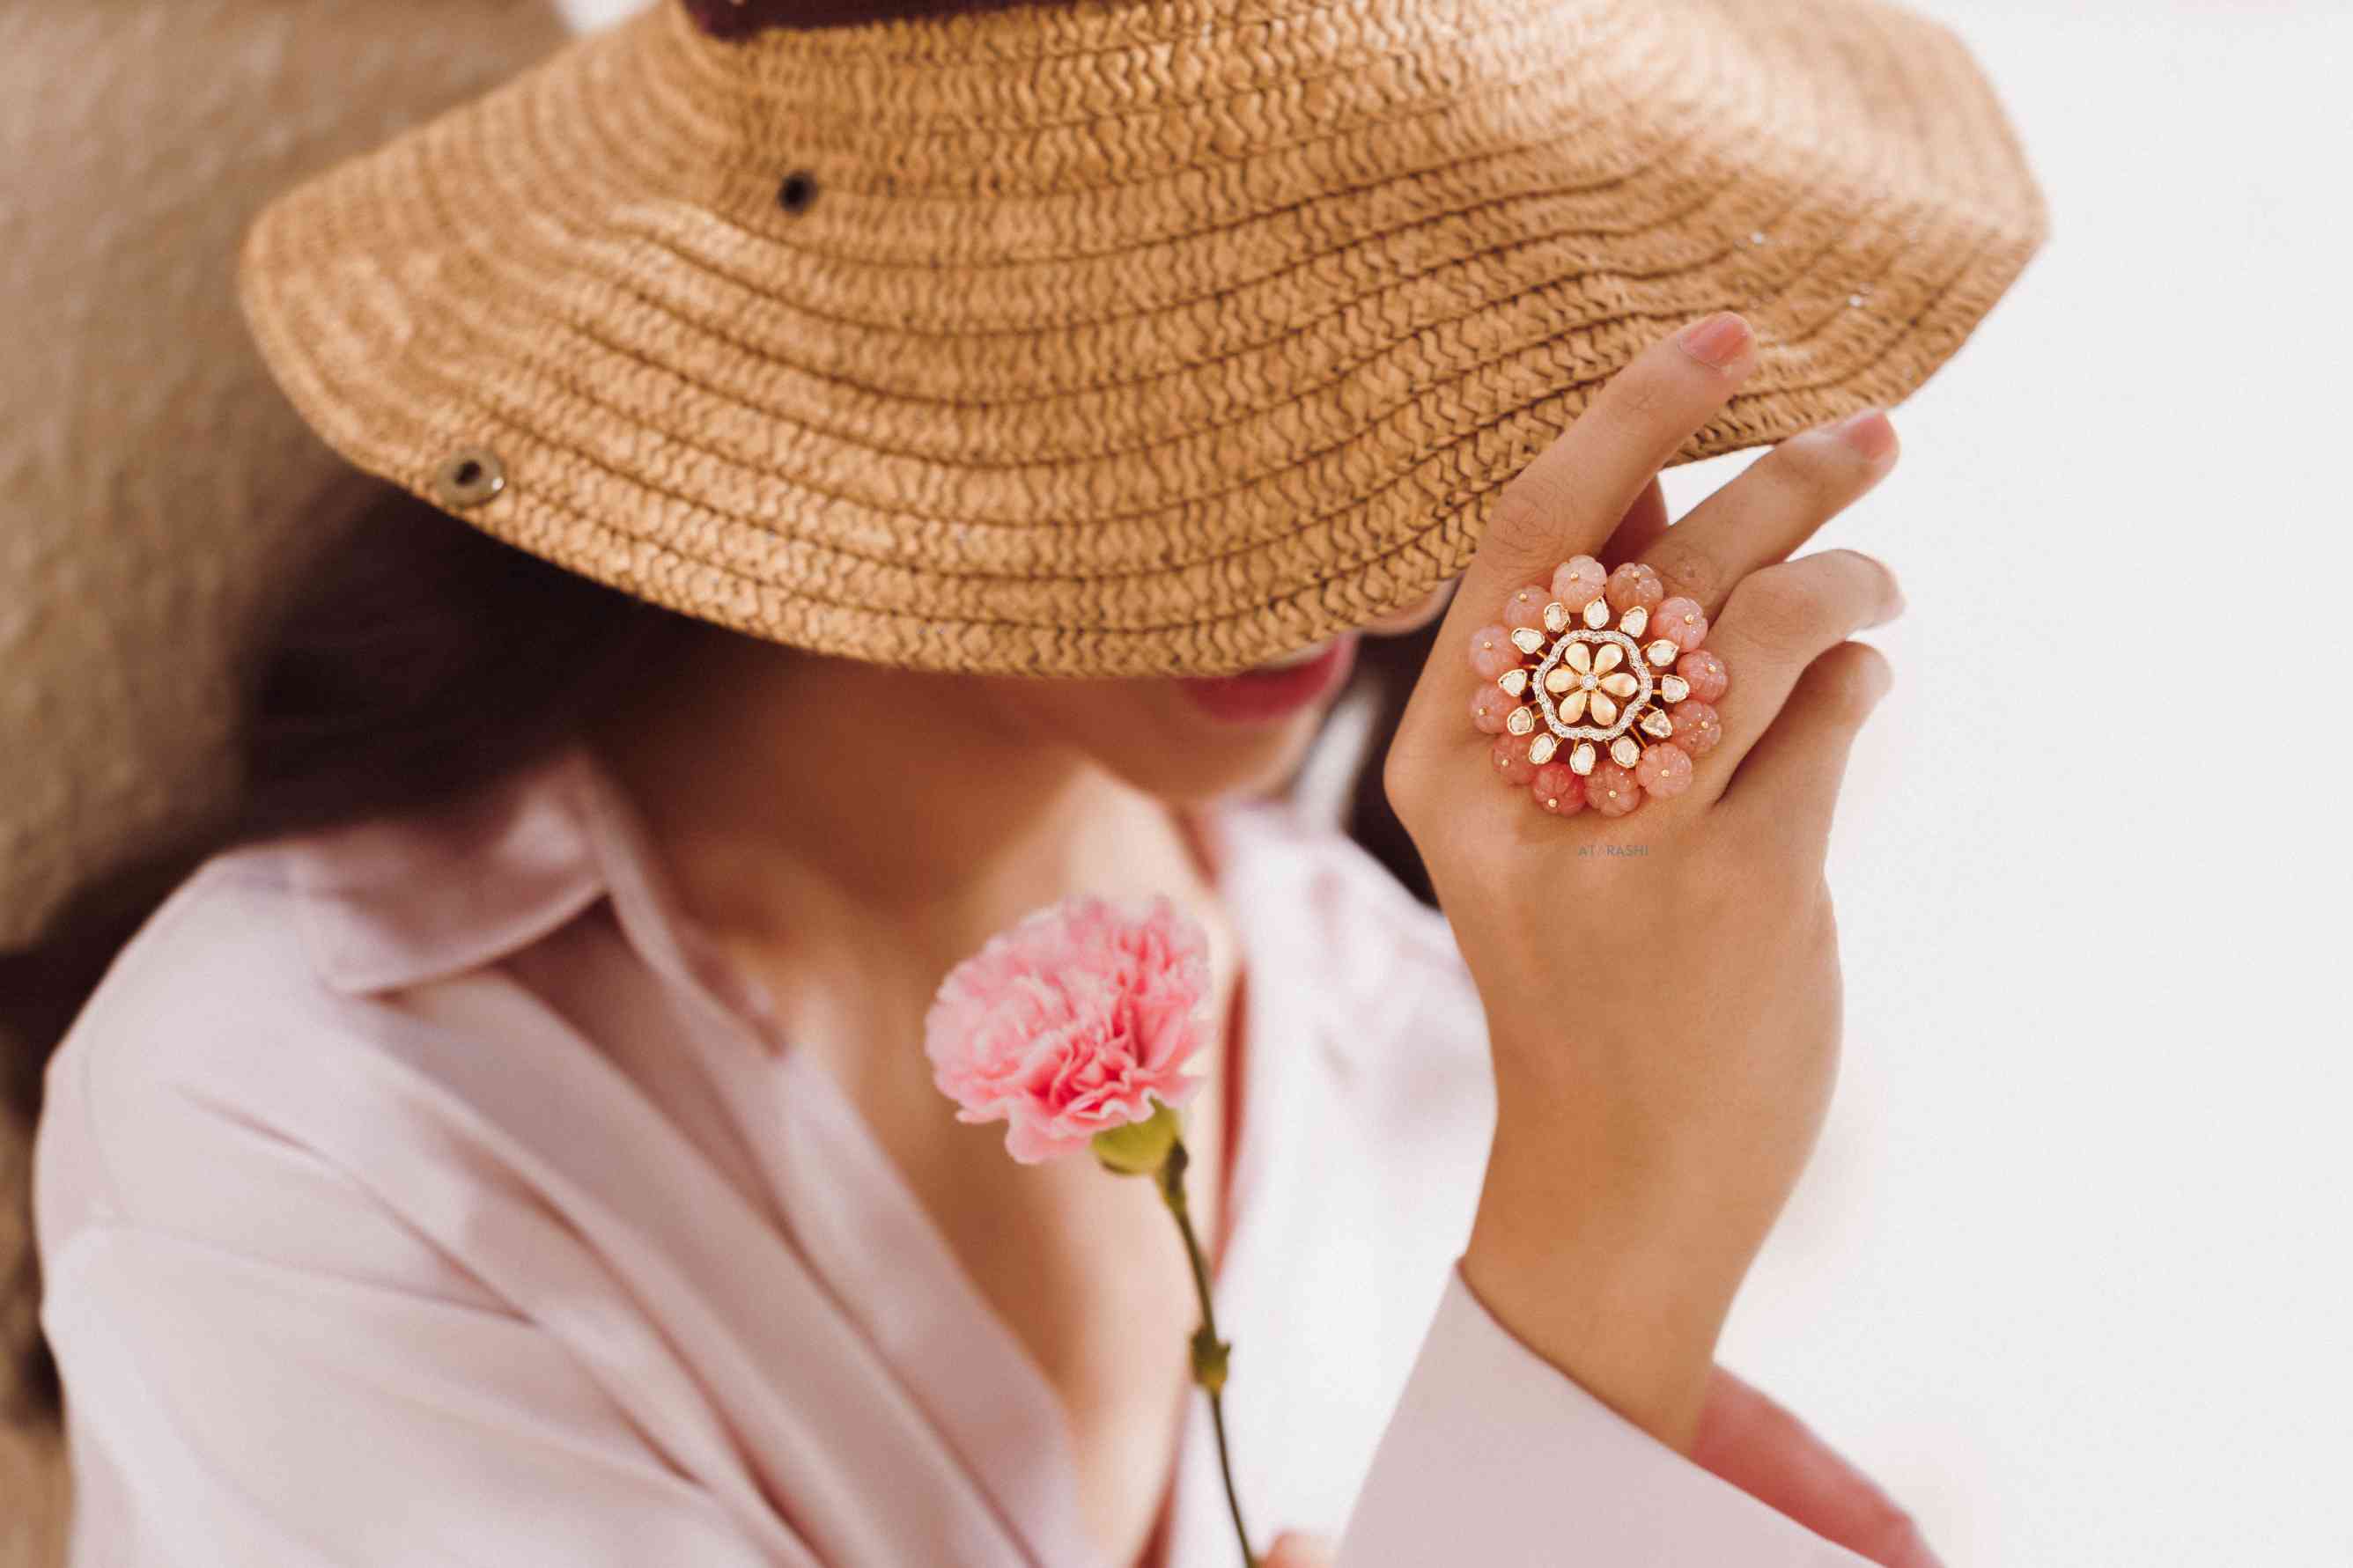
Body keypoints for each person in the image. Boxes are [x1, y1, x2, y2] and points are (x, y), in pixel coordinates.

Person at [29, 1, 2046, 1563]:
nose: (1360, 549)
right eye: (1170, 374)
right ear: (794, 338)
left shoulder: (1401, 1030)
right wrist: (1617, 1216)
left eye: (1400, 351)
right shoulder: (324, 1109)